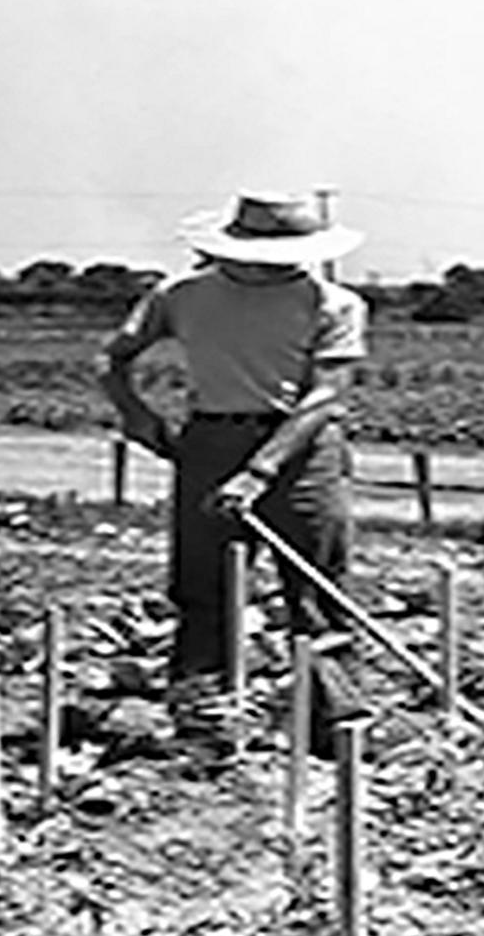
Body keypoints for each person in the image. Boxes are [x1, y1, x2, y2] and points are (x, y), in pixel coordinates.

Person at [98, 190, 368, 754]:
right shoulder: (179, 295)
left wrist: (261, 470)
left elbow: (326, 394)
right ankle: (203, 721)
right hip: (212, 437)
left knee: (317, 587)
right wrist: (136, 416)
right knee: (204, 587)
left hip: (303, 448)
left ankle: (335, 724)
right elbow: (115, 356)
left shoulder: (334, 303)